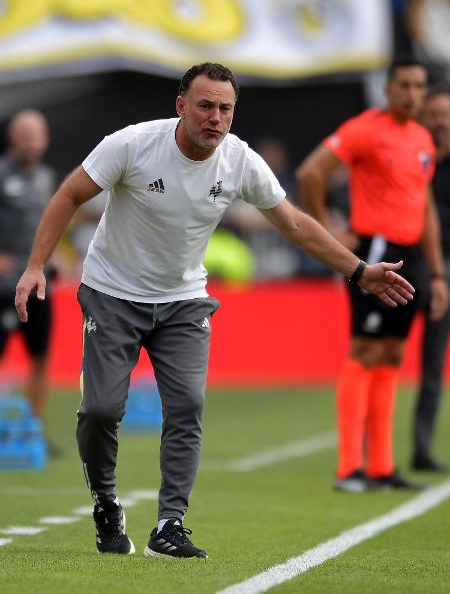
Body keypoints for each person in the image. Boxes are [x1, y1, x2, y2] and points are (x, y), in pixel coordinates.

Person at [15, 62, 414, 558]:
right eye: (205, 106)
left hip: (183, 301)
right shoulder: (134, 144)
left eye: (225, 108)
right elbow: (70, 194)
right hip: (112, 293)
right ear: (181, 106)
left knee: (187, 406)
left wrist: (358, 271)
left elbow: (293, 223)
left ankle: (169, 525)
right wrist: (36, 266)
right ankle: (105, 502)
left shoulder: (240, 161)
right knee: (100, 410)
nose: (216, 118)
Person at [296, 58, 448, 493]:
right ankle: (349, 468)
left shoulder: (421, 138)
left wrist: (436, 273)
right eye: (405, 85)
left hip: (412, 254)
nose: (413, 94)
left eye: (419, 86)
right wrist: (328, 232)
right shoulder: (365, 128)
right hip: (377, 251)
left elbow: (425, 208)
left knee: (393, 355)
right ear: (388, 88)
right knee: (365, 349)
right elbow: (311, 172)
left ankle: (381, 466)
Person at [0, 109, 61, 455]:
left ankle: (32, 431)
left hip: (37, 284)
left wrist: (59, 255)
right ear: (12, 137)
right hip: (3, 287)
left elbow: (51, 222)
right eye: (23, 134)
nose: (29, 141)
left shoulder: (45, 177)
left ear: (45, 139)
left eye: (35, 135)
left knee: (40, 356)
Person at [412, 85, 450, 472]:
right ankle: (372, 456)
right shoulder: (412, 160)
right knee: (379, 356)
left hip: (443, 274)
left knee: (433, 366)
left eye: (445, 115)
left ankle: (421, 450)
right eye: (433, 114)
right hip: (404, 267)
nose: (439, 121)